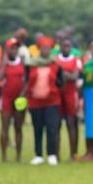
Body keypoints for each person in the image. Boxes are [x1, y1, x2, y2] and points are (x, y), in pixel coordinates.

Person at [26, 37, 63, 166]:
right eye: (43, 48)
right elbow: (27, 81)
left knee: (52, 128)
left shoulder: (56, 64)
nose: (45, 50)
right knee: (37, 128)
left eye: (48, 48)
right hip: (35, 102)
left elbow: (60, 82)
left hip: (52, 101)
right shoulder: (31, 64)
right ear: (39, 49)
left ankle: (52, 154)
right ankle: (38, 154)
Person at [0, 38, 26, 162]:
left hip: (19, 99)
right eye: (11, 48)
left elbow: (26, 80)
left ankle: (18, 156)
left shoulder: (22, 62)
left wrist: (23, 95)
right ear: (7, 49)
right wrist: (3, 63)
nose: (14, 50)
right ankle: (4, 156)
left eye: (16, 48)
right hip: (7, 98)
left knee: (18, 127)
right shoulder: (4, 63)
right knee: (5, 127)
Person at [56, 38, 83, 160]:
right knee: (56, 124)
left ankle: (73, 154)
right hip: (57, 95)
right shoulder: (56, 60)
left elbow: (75, 76)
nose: (66, 48)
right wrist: (66, 74)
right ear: (60, 47)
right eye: (64, 46)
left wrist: (64, 74)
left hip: (71, 95)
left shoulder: (75, 60)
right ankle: (56, 154)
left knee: (71, 123)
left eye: (68, 46)